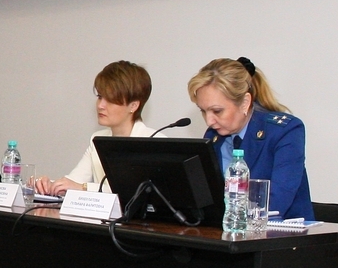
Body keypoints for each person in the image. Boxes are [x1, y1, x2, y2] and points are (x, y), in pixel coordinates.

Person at [187, 57, 313, 220]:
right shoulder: (213, 137)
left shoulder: (284, 131)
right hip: (228, 231)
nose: (209, 121)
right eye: (203, 111)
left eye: (217, 111)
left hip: (281, 232)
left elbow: (277, 201)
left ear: (245, 103)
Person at [34, 60, 156, 197]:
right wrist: (47, 184)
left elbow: (135, 192)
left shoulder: (154, 142)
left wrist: (84, 188)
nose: (100, 105)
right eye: (100, 97)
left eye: (110, 100)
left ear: (133, 106)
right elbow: (73, 182)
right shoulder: (97, 139)